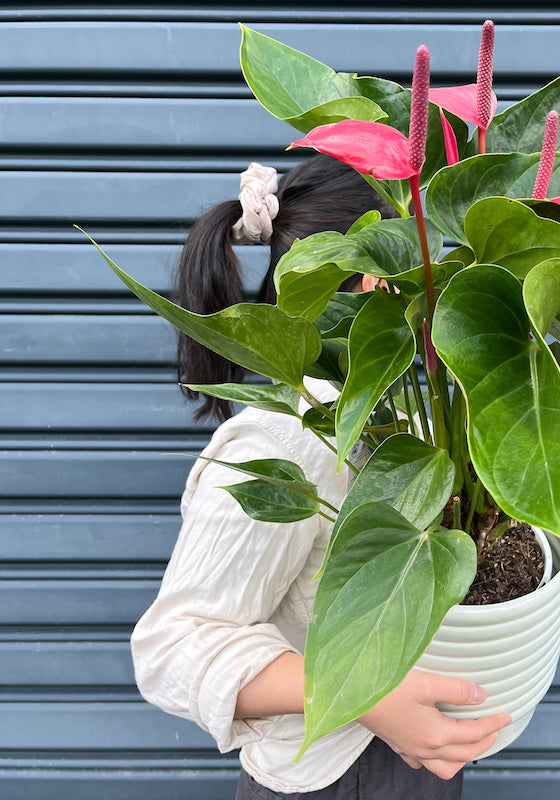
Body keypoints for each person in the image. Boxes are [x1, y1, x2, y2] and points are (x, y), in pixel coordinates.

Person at [131, 154, 510, 800]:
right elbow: (170, 647)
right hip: (332, 778)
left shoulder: (397, 413)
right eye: (419, 259)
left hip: (409, 755)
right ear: (371, 280)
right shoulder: (284, 438)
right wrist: (362, 695)